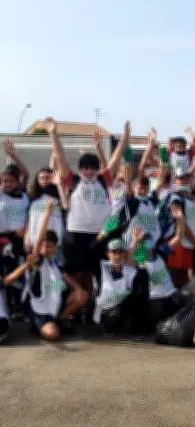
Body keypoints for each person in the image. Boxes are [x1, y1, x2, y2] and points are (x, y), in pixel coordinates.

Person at [49, 117, 131, 322]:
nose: (89, 171)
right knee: (76, 274)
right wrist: (53, 133)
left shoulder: (103, 180)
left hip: (98, 235)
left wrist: (126, 138)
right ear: (80, 168)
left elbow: (115, 158)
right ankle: (75, 312)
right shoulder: (73, 180)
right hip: (75, 234)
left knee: (95, 273)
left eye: (92, 167)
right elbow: (60, 158)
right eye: (85, 167)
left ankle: (91, 310)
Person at [4, 200, 89, 341]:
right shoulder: (37, 260)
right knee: (53, 335)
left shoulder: (55, 263)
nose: (48, 248)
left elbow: (67, 277)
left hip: (55, 307)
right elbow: (37, 242)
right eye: (46, 245)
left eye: (51, 245)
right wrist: (47, 215)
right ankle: (41, 325)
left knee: (83, 295)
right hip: (40, 308)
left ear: (55, 247)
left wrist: (78, 288)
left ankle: (58, 321)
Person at [129, 205, 188, 326]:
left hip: (171, 294)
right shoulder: (140, 262)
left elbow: (179, 237)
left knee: (190, 306)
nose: (148, 243)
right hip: (156, 300)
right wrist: (135, 241)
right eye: (145, 242)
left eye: (149, 240)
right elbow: (129, 262)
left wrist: (180, 220)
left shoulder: (160, 252)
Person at [93, 238, 149, 339]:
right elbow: (91, 251)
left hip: (122, 307)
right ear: (108, 254)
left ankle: (135, 329)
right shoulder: (100, 269)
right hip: (106, 311)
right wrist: (102, 235)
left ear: (125, 254)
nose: (117, 256)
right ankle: (106, 328)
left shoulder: (129, 271)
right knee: (114, 316)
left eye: (120, 252)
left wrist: (141, 265)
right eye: (114, 252)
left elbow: (144, 284)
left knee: (141, 294)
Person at [158, 168, 195, 286]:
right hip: (176, 241)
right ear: (175, 180)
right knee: (176, 275)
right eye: (181, 178)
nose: (185, 181)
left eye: (187, 178)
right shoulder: (175, 198)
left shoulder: (189, 197)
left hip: (186, 243)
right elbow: (181, 223)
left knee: (183, 275)